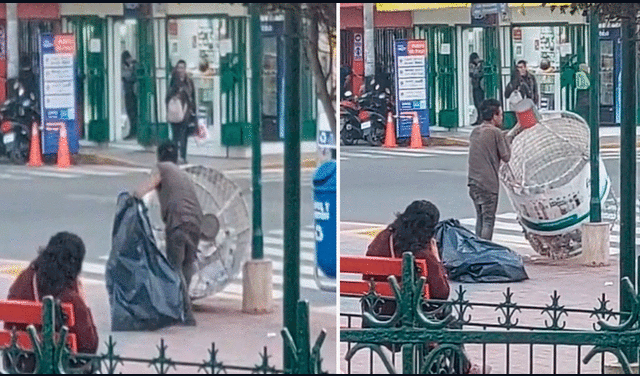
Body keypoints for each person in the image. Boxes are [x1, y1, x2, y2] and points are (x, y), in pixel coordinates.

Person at [4, 232, 98, 372]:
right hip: (60, 367)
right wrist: (84, 302)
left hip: (21, 364)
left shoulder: (23, 280)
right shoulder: (71, 299)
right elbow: (89, 346)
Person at [134, 141, 203, 326]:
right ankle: (182, 302)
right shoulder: (183, 173)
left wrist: (134, 196)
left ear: (159, 156)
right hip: (196, 221)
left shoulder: (162, 168)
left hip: (177, 222)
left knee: (175, 266)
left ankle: (186, 313)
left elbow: (148, 186)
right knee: (187, 264)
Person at [366, 200, 450, 303]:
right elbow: (442, 293)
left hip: (377, 307)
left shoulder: (383, 238)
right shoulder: (422, 254)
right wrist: (437, 259)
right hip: (410, 312)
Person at [467, 99, 513, 241]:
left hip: (473, 182)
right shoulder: (496, 133)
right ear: (494, 116)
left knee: (480, 218)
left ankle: (477, 248)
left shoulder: (476, 131)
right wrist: (506, 139)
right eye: (500, 114)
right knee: (488, 221)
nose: (502, 117)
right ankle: (485, 250)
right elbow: (506, 157)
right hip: (488, 184)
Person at [166, 60, 196, 164]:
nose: (180, 70)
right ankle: (175, 156)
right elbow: (168, 96)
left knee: (184, 135)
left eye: (182, 67)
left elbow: (193, 97)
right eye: (179, 67)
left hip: (186, 111)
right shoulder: (174, 81)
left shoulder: (189, 81)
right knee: (175, 136)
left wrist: (193, 111)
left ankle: (183, 156)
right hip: (176, 111)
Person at [122, 51, 138, 140]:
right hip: (128, 93)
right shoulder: (125, 67)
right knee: (130, 113)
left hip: (134, 93)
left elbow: (131, 78)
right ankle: (133, 131)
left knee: (134, 113)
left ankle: (134, 132)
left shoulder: (134, 66)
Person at [469, 53, 485, 126]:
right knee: (476, 103)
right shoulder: (472, 65)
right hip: (475, 86)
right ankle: (479, 118)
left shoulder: (481, 65)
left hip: (480, 86)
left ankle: (481, 118)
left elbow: (477, 74)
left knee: (480, 102)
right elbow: (471, 74)